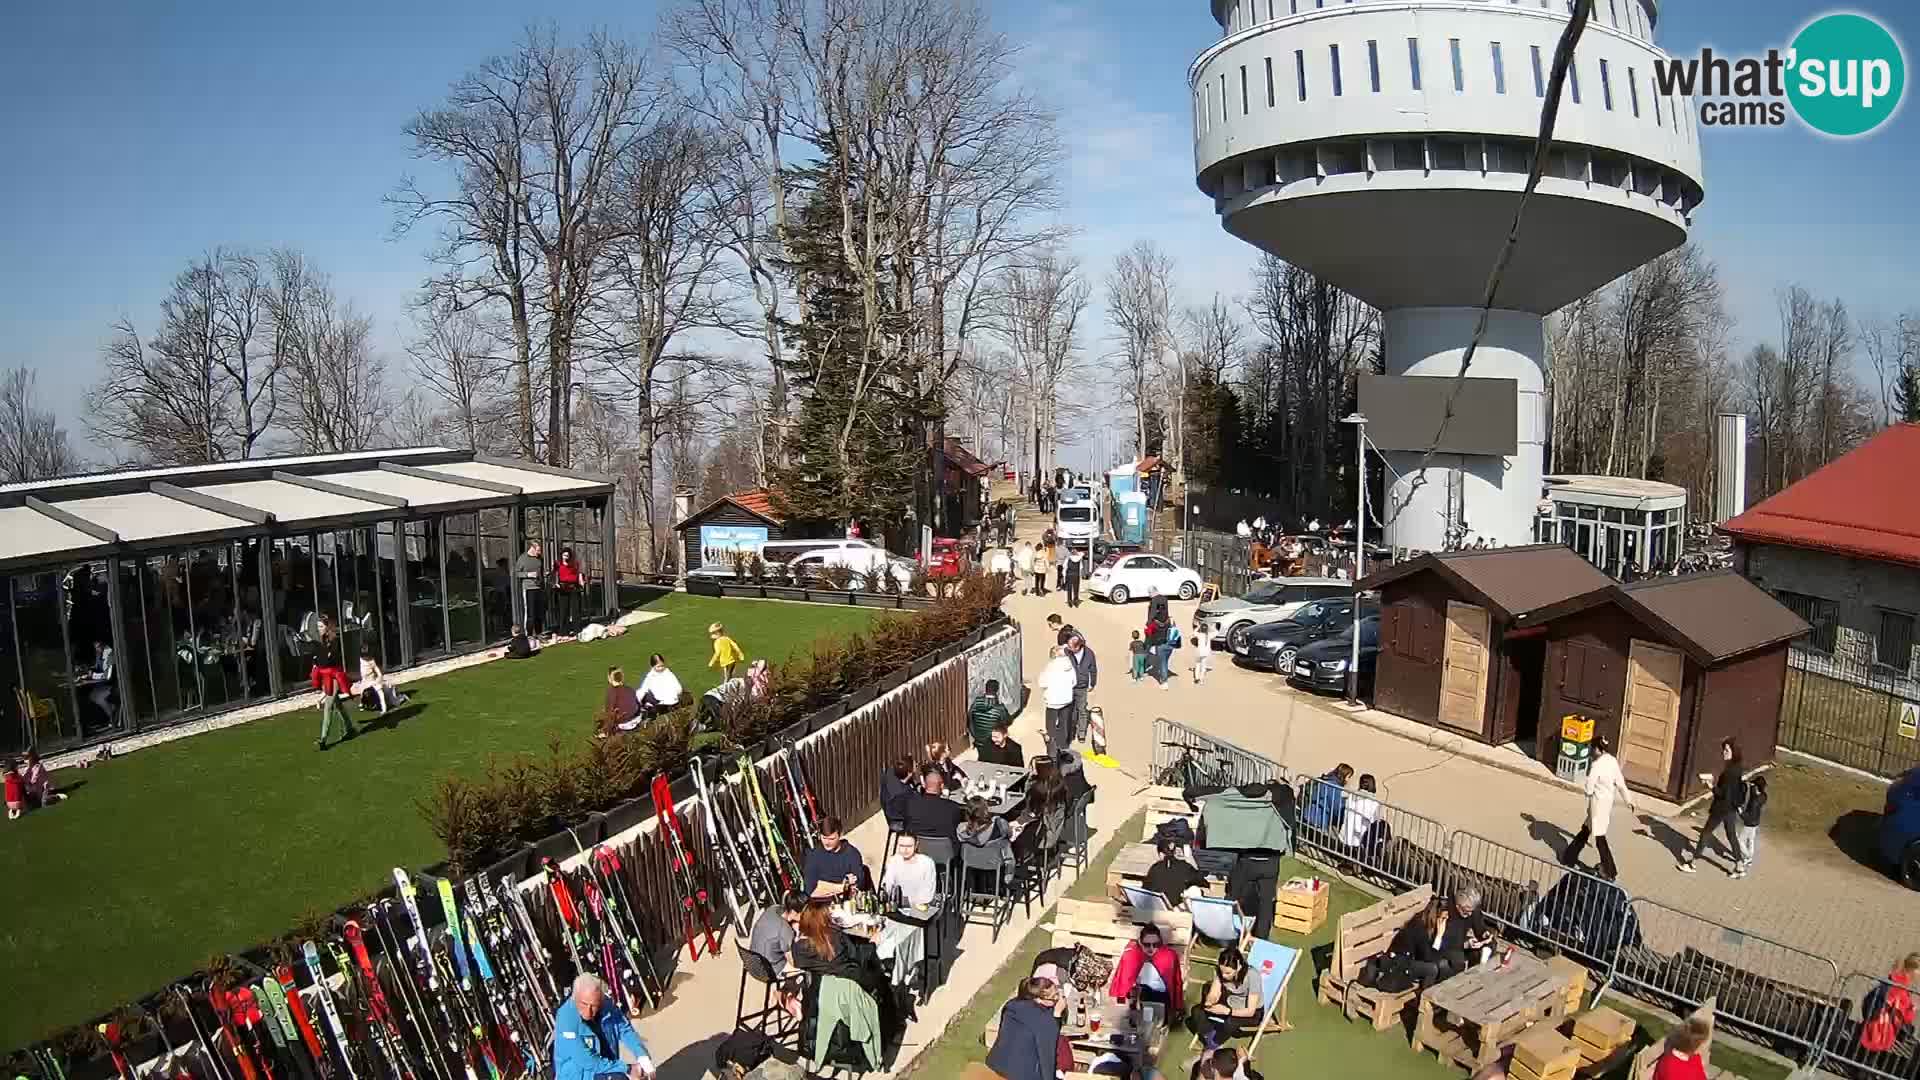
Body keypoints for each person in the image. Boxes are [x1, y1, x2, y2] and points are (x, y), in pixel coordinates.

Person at [1184, 777, 1294, 939]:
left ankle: (1224, 932)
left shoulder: (1238, 797)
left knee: (1232, 897)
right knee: (1265, 903)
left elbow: (1210, 792)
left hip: (1246, 861)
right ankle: (1261, 938)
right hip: (1271, 862)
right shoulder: (1280, 800)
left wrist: (1189, 795)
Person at [552, 973, 655, 1080]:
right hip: (580, 1074)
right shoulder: (566, 1018)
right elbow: (587, 1061)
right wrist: (627, 1069)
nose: (589, 1011)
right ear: (575, 998)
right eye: (584, 1004)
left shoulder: (606, 1004)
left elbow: (624, 1029)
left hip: (606, 1064)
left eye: (594, 1006)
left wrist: (642, 1056)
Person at [1561, 734, 1634, 881]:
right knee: (1586, 829)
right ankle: (1569, 856)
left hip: (1596, 805)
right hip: (1606, 804)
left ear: (1596, 749)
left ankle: (1610, 869)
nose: (1591, 751)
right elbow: (1620, 783)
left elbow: (1589, 787)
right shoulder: (1612, 761)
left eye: (1591, 748)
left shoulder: (1596, 765)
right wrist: (1629, 800)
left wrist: (1588, 792)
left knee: (1599, 837)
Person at [1678, 738, 1744, 874]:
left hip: (1721, 808)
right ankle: (1739, 864)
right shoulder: (1737, 768)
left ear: (1733, 751)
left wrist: (1710, 786)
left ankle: (1692, 863)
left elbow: (1722, 793)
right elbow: (1731, 790)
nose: (1724, 753)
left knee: (1706, 834)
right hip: (1731, 808)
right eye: (1723, 750)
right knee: (1731, 835)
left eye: (1726, 750)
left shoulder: (1729, 772)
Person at [986, 977, 1066, 1080]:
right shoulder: (1045, 1020)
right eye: (1053, 997)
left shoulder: (1011, 1005)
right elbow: (1047, 1057)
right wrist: (1057, 1014)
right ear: (1037, 999)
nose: (1057, 999)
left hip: (996, 1065)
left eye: (1057, 994)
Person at [1189, 946, 1263, 1048]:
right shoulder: (1221, 972)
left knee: (1230, 1023)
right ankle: (1210, 1037)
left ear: (1239, 967)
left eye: (1228, 973)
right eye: (1222, 971)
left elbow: (1250, 1011)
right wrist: (1209, 1001)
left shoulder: (1252, 976)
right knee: (1197, 1011)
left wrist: (1226, 1011)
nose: (1224, 975)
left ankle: (1213, 1044)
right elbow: (1215, 993)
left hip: (1251, 1013)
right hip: (1230, 1000)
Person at [749, 893, 808, 1018]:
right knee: (806, 970)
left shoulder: (773, 909)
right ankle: (787, 996)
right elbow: (793, 962)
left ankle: (785, 995)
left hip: (752, 960)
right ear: (793, 912)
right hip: (768, 969)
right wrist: (797, 935)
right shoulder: (785, 930)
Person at [1109, 924, 1184, 1011]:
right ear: (1140, 942)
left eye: (1156, 944)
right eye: (1147, 944)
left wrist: (1178, 1007)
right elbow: (1122, 982)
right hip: (1136, 998)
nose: (1151, 948)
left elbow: (1176, 983)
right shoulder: (1131, 955)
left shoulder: (1169, 956)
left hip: (1161, 999)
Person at [1385, 896, 1448, 989]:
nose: (1445, 922)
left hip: (1412, 960)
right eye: (1443, 918)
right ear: (1435, 916)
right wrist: (1439, 936)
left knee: (1444, 964)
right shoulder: (1419, 927)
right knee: (1432, 969)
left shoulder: (1429, 925)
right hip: (1399, 963)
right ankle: (1423, 999)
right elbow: (1428, 958)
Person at [1436, 884, 1494, 978]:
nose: (1470, 914)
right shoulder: (1449, 913)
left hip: (1462, 941)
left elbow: (1479, 927)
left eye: (1472, 911)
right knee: (1458, 961)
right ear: (1458, 906)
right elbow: (1446, 941)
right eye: (1466, 911)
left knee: (1491, 945)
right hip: (1447, 946)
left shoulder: (1472, 910)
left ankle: (1477, 974)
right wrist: (1466, 944)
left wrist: (1484, 934)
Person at [801, 817, 866, 898]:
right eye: (824, 838)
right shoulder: (813, 855)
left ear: (840, 835)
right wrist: (843, 886)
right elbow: (810, 891)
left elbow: (856, 887)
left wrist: (824, 886)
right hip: (820, 905)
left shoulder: (852, 854)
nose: (827, 842)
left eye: (832, 839)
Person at [902, 765, 968, 839]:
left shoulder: (910, 805)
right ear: (942, 786)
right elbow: (969, 812)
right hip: (947, 849)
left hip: (919, 847)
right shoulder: (952, 808)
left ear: (924, 784)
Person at [1141, 835, 1208, 905]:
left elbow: (1145, 889)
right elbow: (1202, 881)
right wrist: (1190, 861)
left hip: (1156, 907)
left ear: (1161, 854)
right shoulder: (1185, 866)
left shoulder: (1155, 868)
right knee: (1195, 890)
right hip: (1175, 908)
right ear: (1174, 852)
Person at [881, 834, 939, 907]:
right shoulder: (893, 861)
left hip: (920, 908)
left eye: (909, 846)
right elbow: (888, 886)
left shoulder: (927, 863)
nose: (905, 850)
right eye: (901, 846)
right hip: (897, 906)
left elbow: (928, 893)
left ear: (916, 845)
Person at [1041, 646, 1078, 755]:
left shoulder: (1050, 667)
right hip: (1066, 700)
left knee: (1051, 725)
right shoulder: (1070, 666)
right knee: (1064, 723)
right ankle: (1063, 746)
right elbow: (1074, 682)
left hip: (1052, 700)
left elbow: (1042, 682)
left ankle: (1052, 747)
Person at [1301, 763, 1354, 834]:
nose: (1348, 780)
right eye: (1348, 777)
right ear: (1343, 775)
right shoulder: (1334, 786)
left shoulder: (1326, 779)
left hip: (1308, 814)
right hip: (1318, 819)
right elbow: (1335, 807)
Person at [1338, 773, 1382, 857]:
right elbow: (1374, 820)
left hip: (1347, 834)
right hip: (1359, 837)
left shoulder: (1352, 795)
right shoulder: (1373, 802)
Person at [1734, 774, 1768, 879]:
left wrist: (1740, 812)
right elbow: (1753, 790)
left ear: (1757, 786)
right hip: (1756, 822)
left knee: (1740, 841)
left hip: (1750, 823)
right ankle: (1749, 859)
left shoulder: (1754, 802)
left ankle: (1748, 856)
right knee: (1751, 840)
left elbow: (1748, 817)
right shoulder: (1763, 795)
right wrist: (1749, 783)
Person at [356, 649, 408, 715]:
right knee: (362, 691)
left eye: (365, 656)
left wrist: (379, 678)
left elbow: (378, 672)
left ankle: (402, 697)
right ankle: (363, 704)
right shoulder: (361, 660)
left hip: (375, 681)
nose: (364, 658)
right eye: (363, 656)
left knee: (394, 703)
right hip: (365, 681)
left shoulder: (372, 661)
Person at [1067, 634, 1098, 743]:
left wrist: (1092, 684)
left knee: (1082, 710)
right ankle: (1071, 732)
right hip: (1068, 687)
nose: (1068, 648)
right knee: (1070, 710)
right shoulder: (1066, 653)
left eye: (1071, 646)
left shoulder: (1089, 653)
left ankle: (1081, 733)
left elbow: (1093, 669)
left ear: (1078, 647)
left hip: (1082, 687)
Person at [635, 654, 684, 718]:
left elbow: (643, 690)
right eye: (658, 667)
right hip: (673, 702)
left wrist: (637, 703)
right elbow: (679, 689)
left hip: (663, 704)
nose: (661, 668)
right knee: (643, 694)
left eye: (662, 666)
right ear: (653, 666)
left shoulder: (651, 676)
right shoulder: (668, 672)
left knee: (645, 696)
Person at [515, 541, 546, 640]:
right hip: (528, 588)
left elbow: (541, 572)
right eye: (538, 550)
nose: (540, 552)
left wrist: (544, 576)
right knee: (530, 613)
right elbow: (516, 573)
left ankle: (539, 633)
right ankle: (529, 635)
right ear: (532, 548)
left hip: (539, 588)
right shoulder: (522, 559)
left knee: (539, 612)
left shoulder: (540, 559)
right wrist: (528, 575)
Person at [600, 668, 642, 737]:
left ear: (609, 678)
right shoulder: (630, 689)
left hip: (624, 725)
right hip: (637, 720)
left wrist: (605, 731)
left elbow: (610, 714)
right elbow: (638, 705)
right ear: (622, 678)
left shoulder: (612, 692)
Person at [553, 547, 584, 636]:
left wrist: (581, 581)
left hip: (573, 587)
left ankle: (577, 629)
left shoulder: (574, 564)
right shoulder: (557, 563)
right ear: (561, 555)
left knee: (575, 610)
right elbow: (554, 574)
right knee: (563, 610)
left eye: (567, 555)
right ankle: (563, 630)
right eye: (564, 555)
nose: (565, 557)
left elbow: (579, 573)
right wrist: (556, 583)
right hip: (563, 588)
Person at [881, 757, 917, 824]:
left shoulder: (890, 774)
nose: (916, 768)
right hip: (899, 819)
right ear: (909, 773)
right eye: (916, 766)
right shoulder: (905, 792)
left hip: (890, 813)